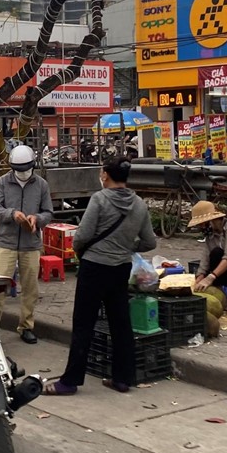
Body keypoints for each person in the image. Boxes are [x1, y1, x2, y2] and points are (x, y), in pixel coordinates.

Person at [45, 156, 156, 396]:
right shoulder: (139, 204)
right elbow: (149, 241)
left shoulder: (99, 199)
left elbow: (82, 235)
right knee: (121, 324)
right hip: (120, 269)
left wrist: (80, 249)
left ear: (105, 174)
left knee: (84, 324)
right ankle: (122, 379)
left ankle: (70, 381)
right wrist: (126, 246)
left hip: (94, 267)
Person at [0, 145, 53, 344]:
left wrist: (37, 219)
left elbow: (49, 212)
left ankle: (26, 326)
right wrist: (12, 214)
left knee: (30, 289)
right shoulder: (2, 182)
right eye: (19, 170)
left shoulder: (41, 184)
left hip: (31, 244)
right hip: (5, 242)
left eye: (26, 169)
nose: (23, 173)